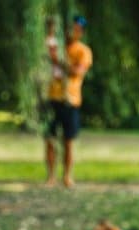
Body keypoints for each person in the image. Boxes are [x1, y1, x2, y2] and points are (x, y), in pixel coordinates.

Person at [44, 15, 92, 188]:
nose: (73, 32)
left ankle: (67, 176)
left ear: (81, 32)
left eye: (77, 29)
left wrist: (57, 60)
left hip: (70, 100)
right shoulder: (55, 46)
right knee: (49, 138)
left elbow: (77, 73)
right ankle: (50, 176)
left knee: (68, 141)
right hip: (51, 97)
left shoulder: (83, 51)